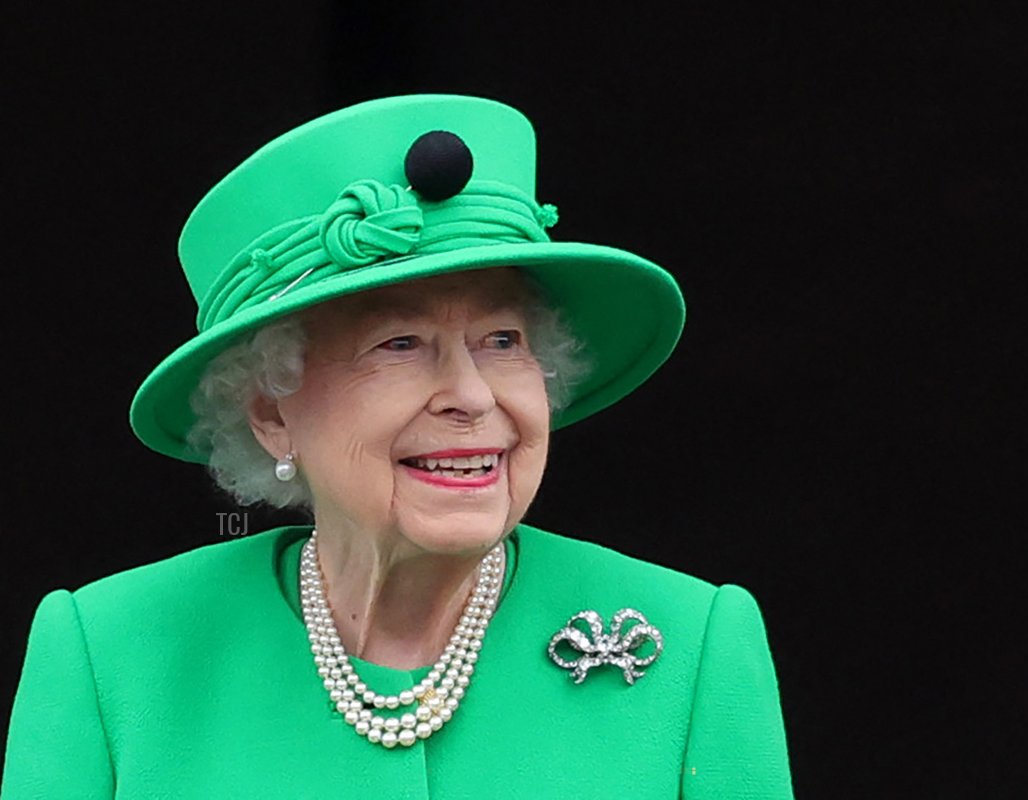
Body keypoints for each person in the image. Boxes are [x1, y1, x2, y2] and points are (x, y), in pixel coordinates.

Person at [2, 94, 793, 798]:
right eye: (401, 343)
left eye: (503, 338)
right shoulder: (109, 655)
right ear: (271, 414)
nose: (475, 396)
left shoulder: (691, 644)